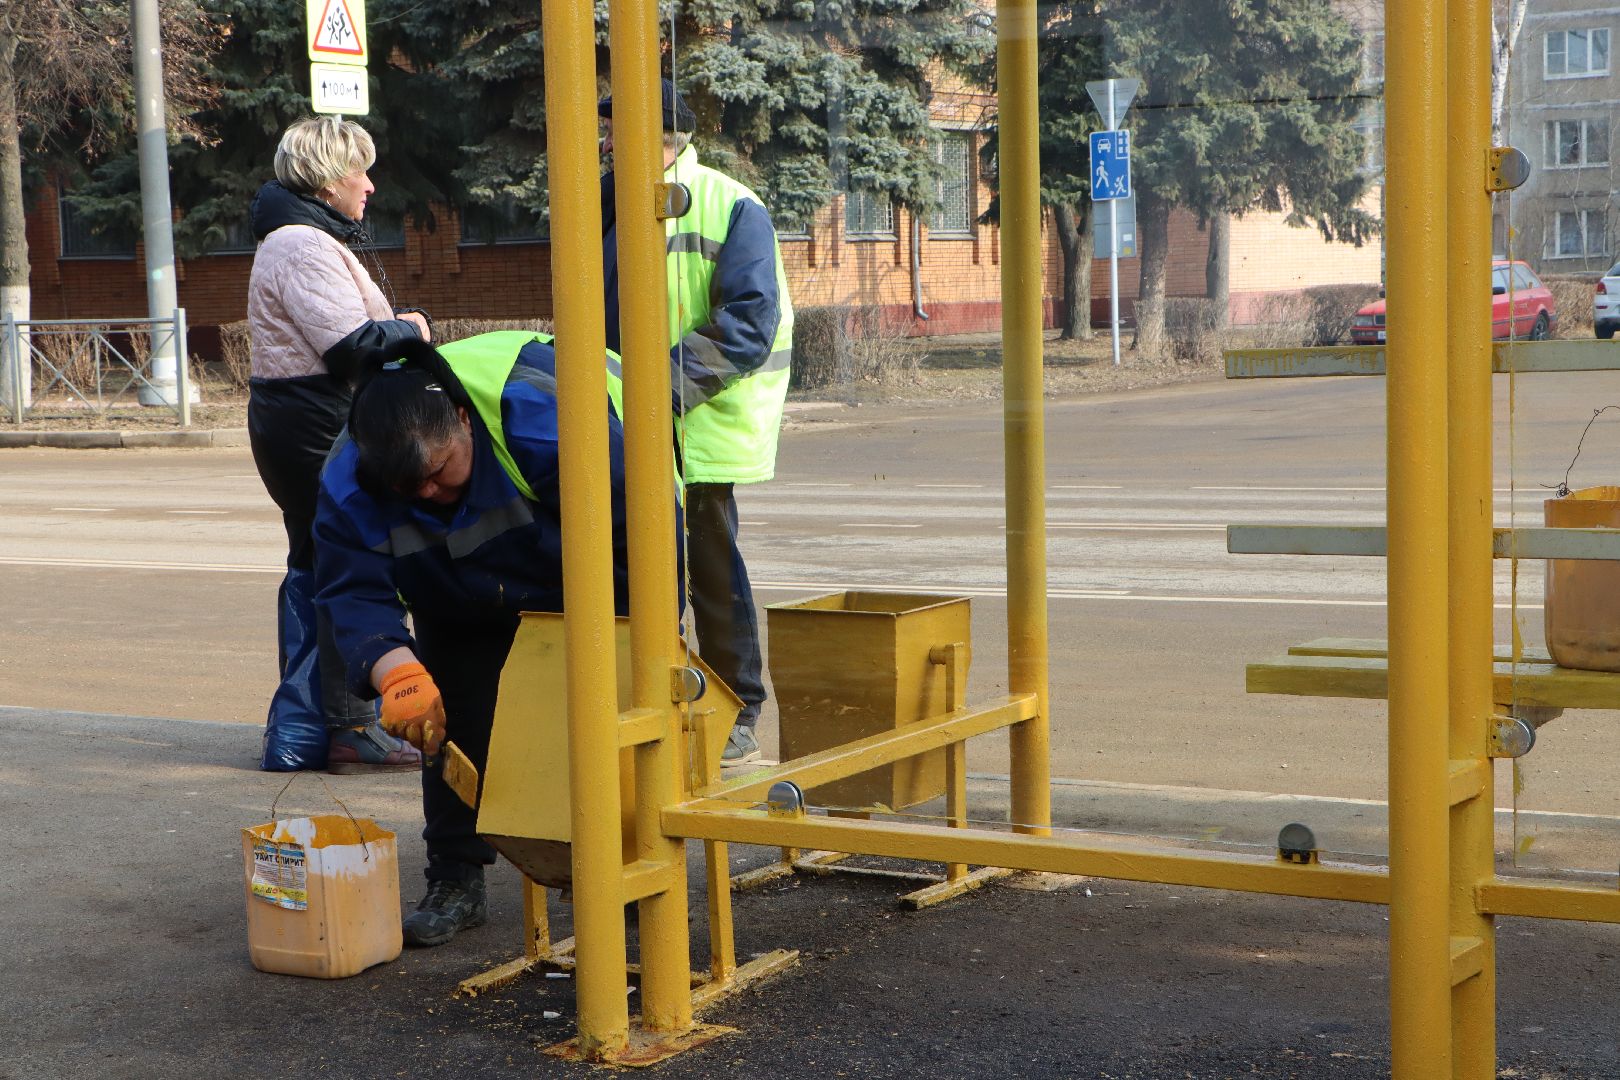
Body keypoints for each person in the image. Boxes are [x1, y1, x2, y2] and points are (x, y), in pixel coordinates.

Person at [312, 332, 632, 947]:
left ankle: (631, 872)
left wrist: (631, 633)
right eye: (408, 490)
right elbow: (351, 593)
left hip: (584, 574)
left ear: (463, 420)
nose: (428, 495)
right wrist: (396, 673)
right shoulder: (350, 478)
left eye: (439, 474)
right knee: (448, 719)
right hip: (452, 591)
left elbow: (638, 536)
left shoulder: (545, 426)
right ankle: (456, 877)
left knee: (612, 717)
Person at [599, 78, 794, 766]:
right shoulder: (608, 202)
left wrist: (655, 391)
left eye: (615, 129)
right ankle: (654, 701)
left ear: (660, 137)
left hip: (698, 418)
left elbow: (749, 325)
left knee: (709, 565)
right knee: (632, 564)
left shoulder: (729, 203)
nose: (605, 141)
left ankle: (737, 706)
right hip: (630, 411)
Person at [247, 116, 430, 774]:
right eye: (360, 171)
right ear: (328, 181)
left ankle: (313, 727)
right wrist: (411, 328)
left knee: (318, 564)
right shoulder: (302, 245)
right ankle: (350, 726)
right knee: (349, 565)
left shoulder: (300, 237)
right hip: (315, 423)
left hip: (300, 419)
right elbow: (351, 347)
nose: (370, 185)